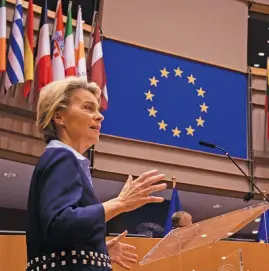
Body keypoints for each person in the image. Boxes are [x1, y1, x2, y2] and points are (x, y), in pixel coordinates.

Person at [26, 77, 167, 271]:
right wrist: (120, 203)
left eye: (98, 110)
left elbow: (60, 236)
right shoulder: (62, 157)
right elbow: (60, 224)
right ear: (59, 117)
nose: (99, 116)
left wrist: (98, 250)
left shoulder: (60, 159)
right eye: (88, 107)